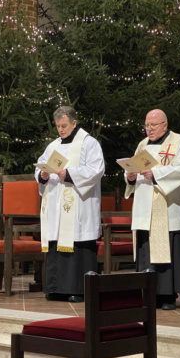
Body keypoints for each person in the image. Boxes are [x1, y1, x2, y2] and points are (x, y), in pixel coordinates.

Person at [125, 109, 180, 310]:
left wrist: (155, 174)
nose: (149, 129)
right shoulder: (142, 145)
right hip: (145, 207)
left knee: (167, 250)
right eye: (146, 125)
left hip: (168, 206)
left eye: (153, 125)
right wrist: (130, 177)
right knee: (146, 250)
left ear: (165, 124)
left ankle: (167, 296)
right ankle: (148, 294)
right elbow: (134, 172)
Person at [35, 106, 105, 303]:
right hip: (56, 207)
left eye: (64, 125)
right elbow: (41, 165)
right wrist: (43, 175)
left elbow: (96, 169)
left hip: (79, 206)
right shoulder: (53, 146)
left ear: (74, 123)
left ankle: (78, 289)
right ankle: (55, 288)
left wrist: (70, 174)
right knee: (57, 244)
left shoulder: (89, 144)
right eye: (58, 126)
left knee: (77, 244)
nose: (61, 130)